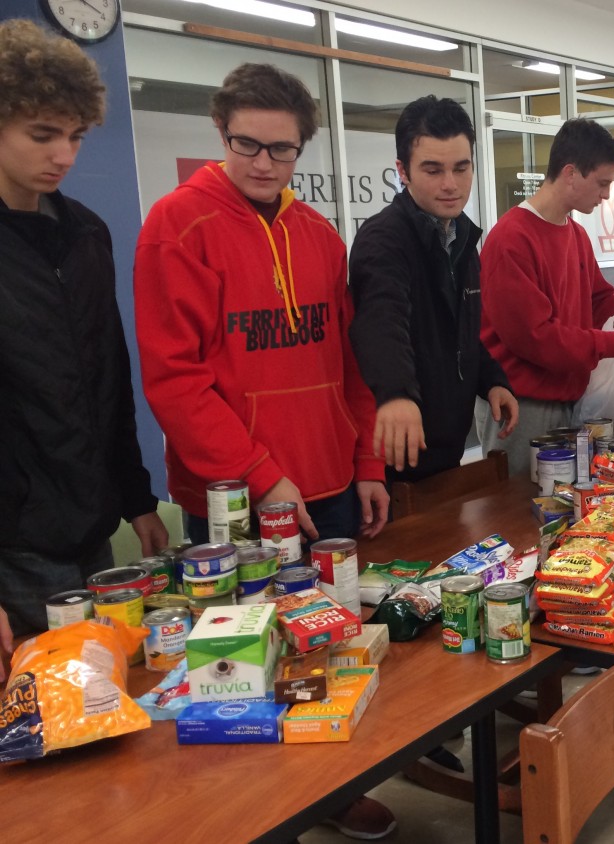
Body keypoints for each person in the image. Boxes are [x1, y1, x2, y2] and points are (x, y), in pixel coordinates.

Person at [133, 63, 393, 839]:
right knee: (237, 671)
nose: (264, 163)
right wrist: (260, 476)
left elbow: (349, 366)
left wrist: (368, 463)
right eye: (248, 143)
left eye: (282, 151)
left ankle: (335, 787)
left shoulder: (317, 236)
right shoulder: (175, 227)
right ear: (221, 134)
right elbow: (174, 384)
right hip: (233, 502)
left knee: (333, 654)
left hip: (331, 486)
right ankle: (246, 812)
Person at [0, 19, 167, 675]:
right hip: (14, 545)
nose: (64, 154)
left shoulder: (87, 232)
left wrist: (138, 498)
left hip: (92, 529)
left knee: (103, 706)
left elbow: (108, 374)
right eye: (43, 135)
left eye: (74, 136)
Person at [477, 118, 614, 475]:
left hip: (571, 398)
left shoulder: (575, 234)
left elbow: (598, 303)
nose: (606, 196)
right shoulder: (512, 239)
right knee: (517, 509)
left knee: (565, 505)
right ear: (570, 173)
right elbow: (535, 337)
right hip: (523, 404)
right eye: (602, 183)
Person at [349, 95, 517, 480]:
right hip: (395, 456)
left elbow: (459, 334)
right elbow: (381, 323)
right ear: (402, 172)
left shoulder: (460, 239)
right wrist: (396, 394)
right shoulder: (383, 238)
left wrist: (491, 380)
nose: (450, 185)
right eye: (432, 170)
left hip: (447, 450)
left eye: (461, 168)